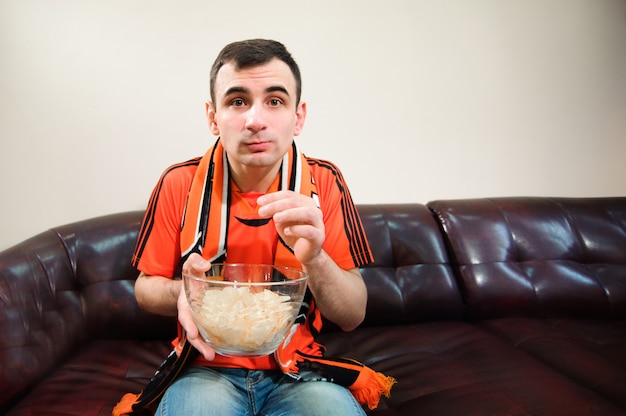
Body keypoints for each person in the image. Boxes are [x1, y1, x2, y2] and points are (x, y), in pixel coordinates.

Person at [125, 39, 393, 415]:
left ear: (298, 117)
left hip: (299, 369)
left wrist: (315, 259)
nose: (255, 120)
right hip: (204, 369)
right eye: (237, 101)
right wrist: (186, 291)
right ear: (212, 116)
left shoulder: (324, 182)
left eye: (275, 101)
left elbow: (353, 315)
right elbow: (144, 289)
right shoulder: (178, 182)